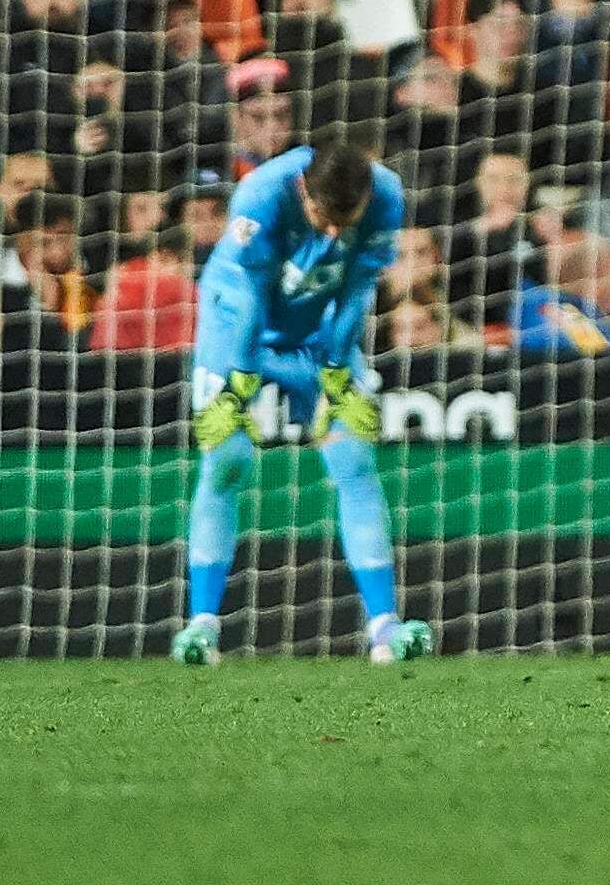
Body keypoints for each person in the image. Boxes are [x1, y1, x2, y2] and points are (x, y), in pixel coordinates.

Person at [171, 126, 429, 669]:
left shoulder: (385, 196)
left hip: (317, 335)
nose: (333, 231)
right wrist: (239, 382)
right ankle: (201, 625)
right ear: (305, 193)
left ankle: (383, 626)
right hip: (238, 327)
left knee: (355, 459)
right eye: (323, 217)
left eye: (345, 220)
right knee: (227, 460)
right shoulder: (260, 195)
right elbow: (247, 295)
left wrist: (336, 369)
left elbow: (359, 288)